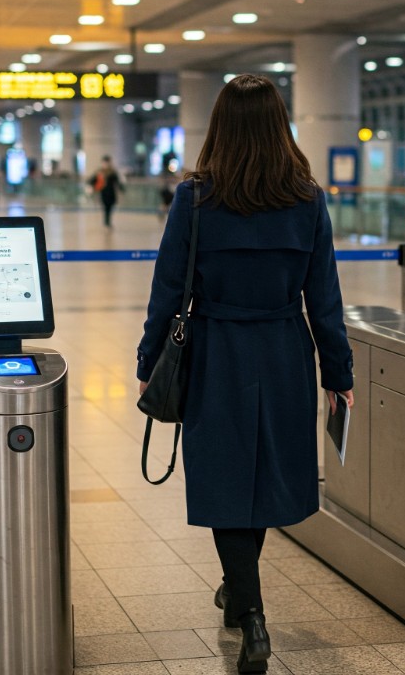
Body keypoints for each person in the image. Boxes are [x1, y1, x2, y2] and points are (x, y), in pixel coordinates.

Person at [137, 74, 354, 673]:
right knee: (265, 476)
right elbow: (325, 296)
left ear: (221, 126)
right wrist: (338, 370)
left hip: (217, 352)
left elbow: (167, 289)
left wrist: (147, 361)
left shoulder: (197, 199)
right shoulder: (308, 198)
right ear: (279, 125)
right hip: (285, 351)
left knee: (229, 478)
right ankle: (242, 595)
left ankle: (251, 612)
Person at [89, 155, 124, 227]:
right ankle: (106, 221)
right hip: (104, 193)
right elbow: (92, 180)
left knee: (110, 207)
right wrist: (91, 187)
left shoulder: (113, 172)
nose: (105, 164)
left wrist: (122, 189)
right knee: (105, 207)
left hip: (111, 193)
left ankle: (107, 221)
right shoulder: (99, 172)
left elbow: (117, 182)